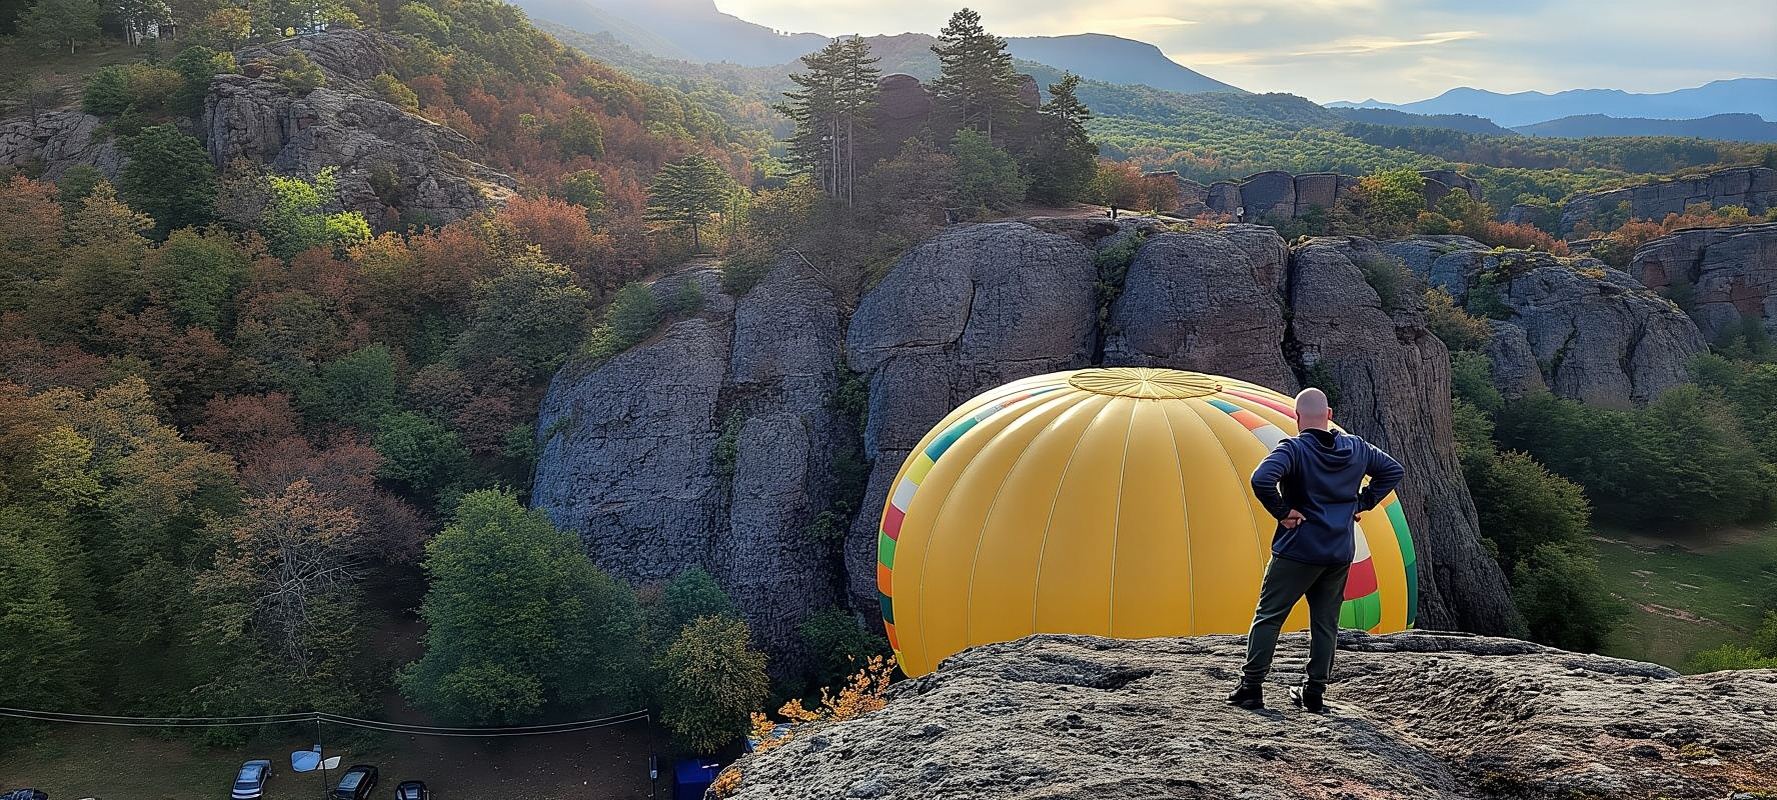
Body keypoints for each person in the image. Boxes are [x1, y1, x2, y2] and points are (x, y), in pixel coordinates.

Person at [1226, 387, 1403, 713]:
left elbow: (1261, 479)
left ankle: (1250, 687)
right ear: (1330, 415)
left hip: (1297, 551)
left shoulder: (1293, 449)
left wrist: (1282, 511)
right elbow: (1393, 470)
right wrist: (1360, 502)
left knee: (1268, 617)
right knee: (1325, 623)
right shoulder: (1357, 447)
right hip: (1338, 552)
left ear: (1296, 417)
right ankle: (1314, 692)